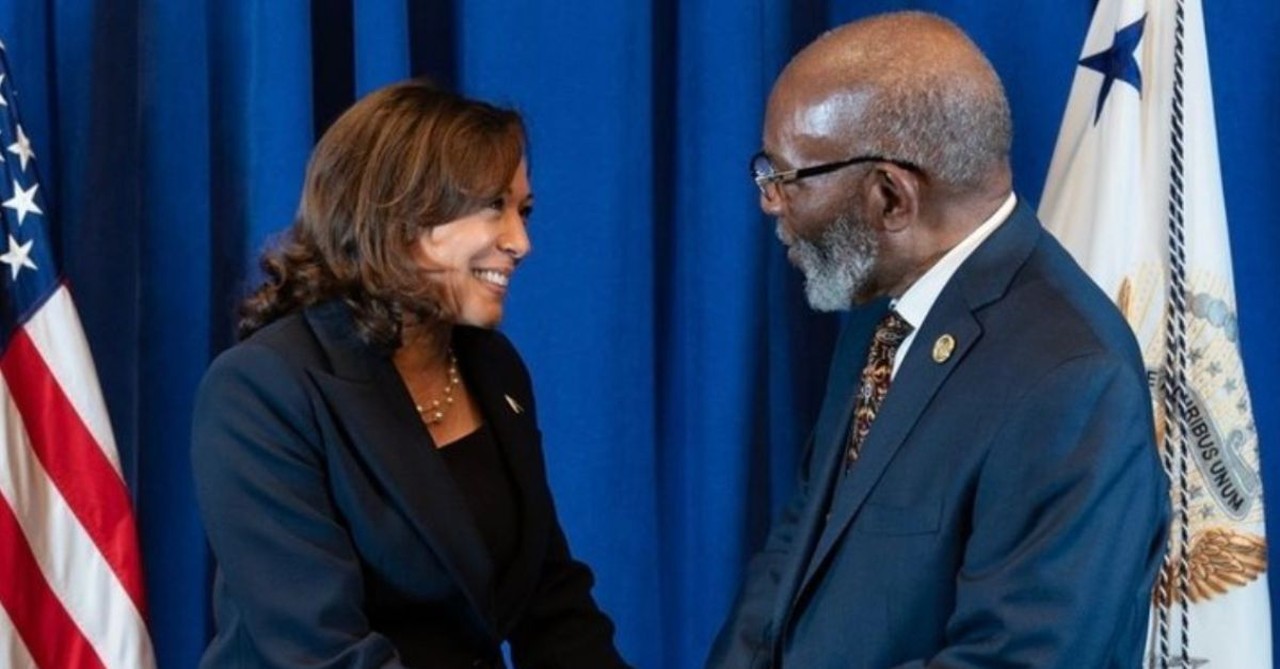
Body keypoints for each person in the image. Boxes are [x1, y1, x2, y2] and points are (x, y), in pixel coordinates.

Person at [707, 12, 1169, 669]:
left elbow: (1021, 659)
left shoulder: (1073, 380)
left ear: (891, 198)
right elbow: (795, 556)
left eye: (786, 178)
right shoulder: (882, 307)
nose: (770, 201)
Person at [191, 80, 631, 669]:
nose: (520, 242)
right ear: (400, 217)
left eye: (523, 211)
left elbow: (552, 604)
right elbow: (326, 654)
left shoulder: (493, 367)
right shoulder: (260, 390)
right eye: (493, 207)